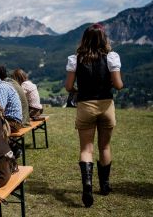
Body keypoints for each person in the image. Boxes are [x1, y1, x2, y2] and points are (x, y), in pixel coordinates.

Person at [64, 23, 123, 208]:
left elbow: (68, 86)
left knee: (86, 149)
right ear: (104, 39)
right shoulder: (111, 57)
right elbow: (119, 84)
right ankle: (104, 186)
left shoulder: (76, 59)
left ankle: (87, 185)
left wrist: (76, 89)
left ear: (85, 39)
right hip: (106, 105)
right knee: (104, 146)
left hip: (85, 105)